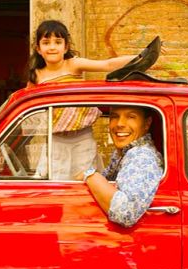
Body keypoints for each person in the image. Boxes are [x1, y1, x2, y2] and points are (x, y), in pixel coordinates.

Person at [27, 20, 136, 180]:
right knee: (56, 183)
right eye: (46, 42)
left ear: (66, 47)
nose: (52, 47)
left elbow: (107, 64)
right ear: (38, 49)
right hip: (55, 139)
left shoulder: (73, 65)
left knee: (85, 181)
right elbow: (27, 109)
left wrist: (142, 56)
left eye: (58, 42)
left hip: (82, 137)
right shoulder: (36, 75)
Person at [78, 106, 163, 228]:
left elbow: (126, 213)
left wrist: (91, 176)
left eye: (131, 117)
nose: (120, 124)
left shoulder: (142, 156)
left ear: (146, 123)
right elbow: (107, 178)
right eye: (114, 117)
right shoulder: (125, 152)